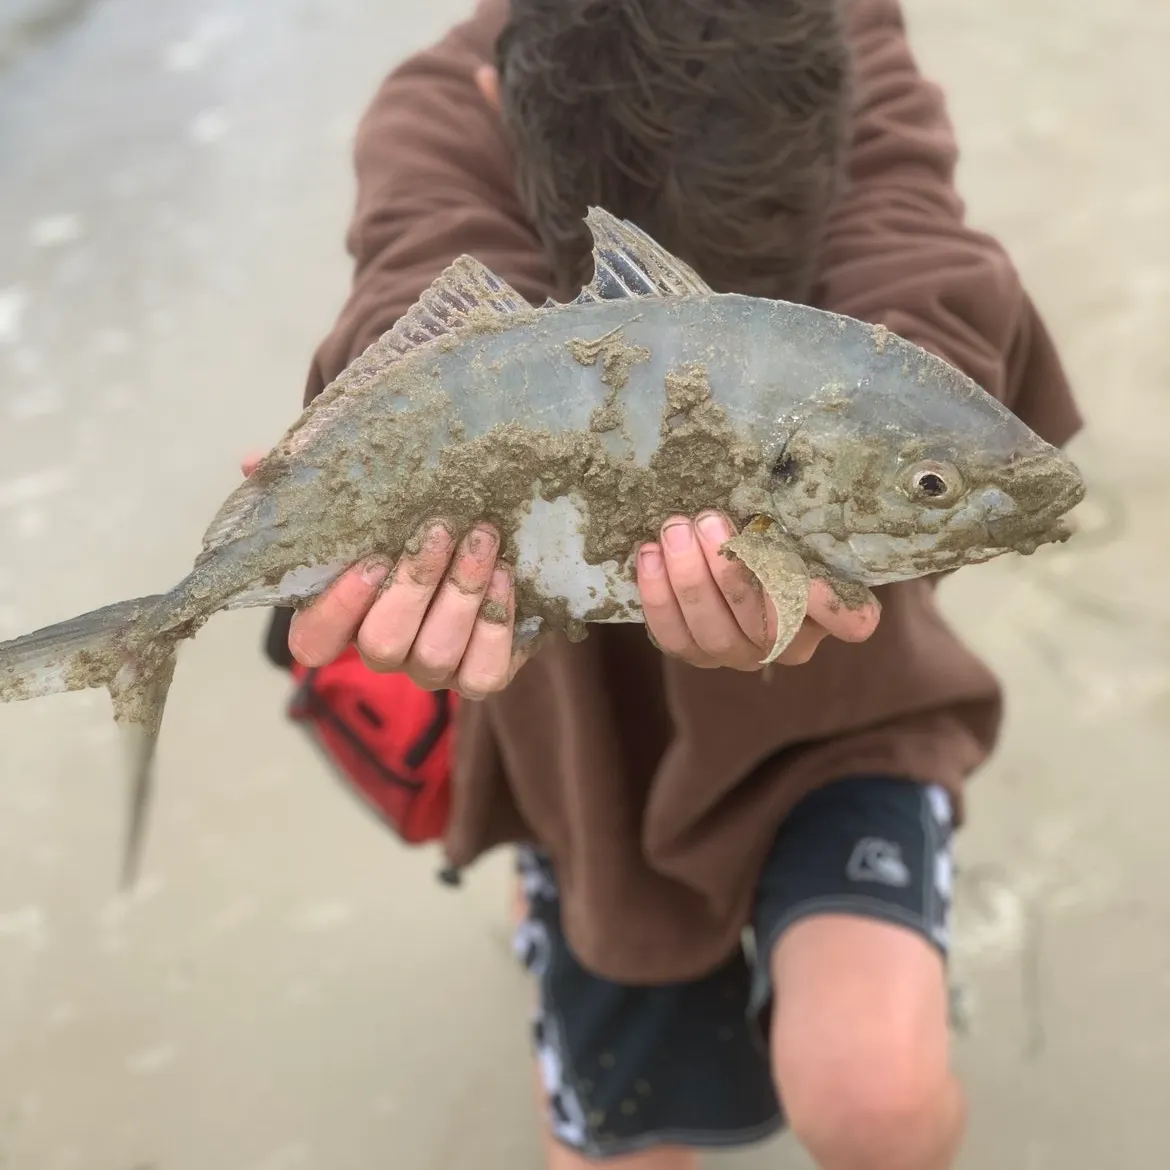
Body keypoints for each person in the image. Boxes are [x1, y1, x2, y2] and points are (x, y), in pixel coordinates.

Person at [259, 1, 1083, 1167]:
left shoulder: (840, 33)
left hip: (840, 704)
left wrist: (901, 424)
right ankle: (550, 882)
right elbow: (407, 274)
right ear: (505, 112)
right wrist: (388, 463)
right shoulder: (444, 101)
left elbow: (921, 246)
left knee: (877, 1108)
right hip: (586, 744)